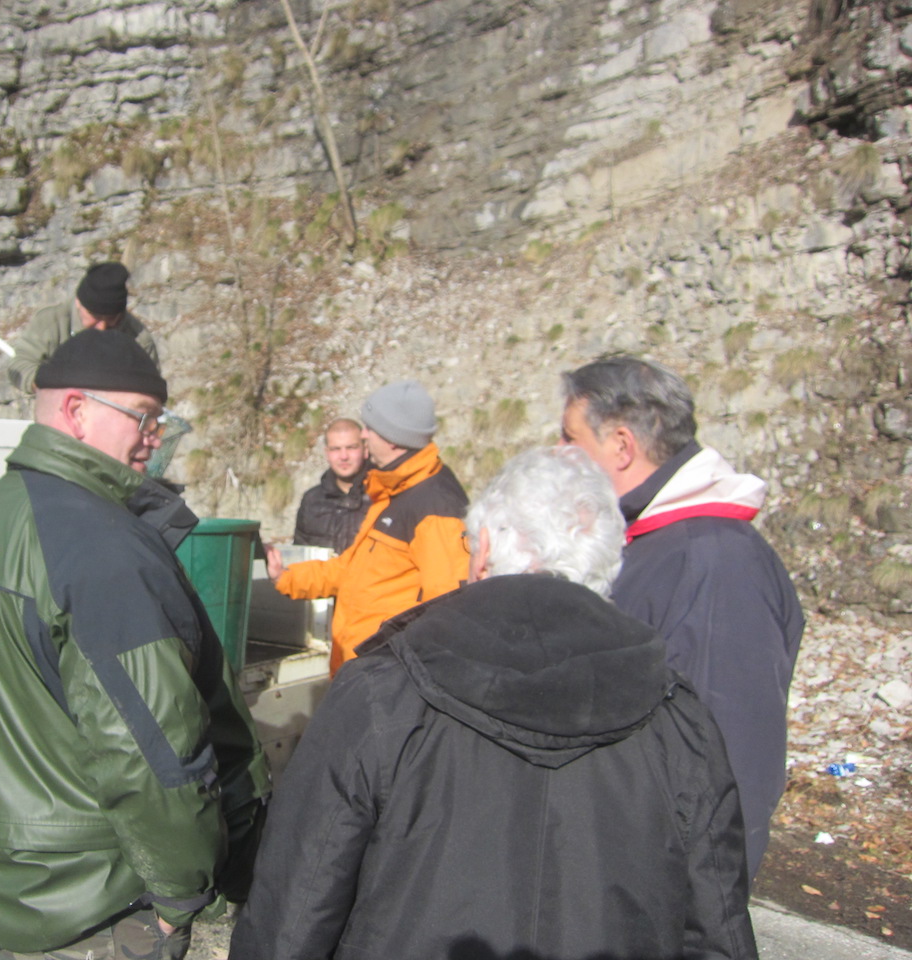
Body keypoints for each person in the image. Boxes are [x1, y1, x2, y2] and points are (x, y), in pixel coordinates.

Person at [230, 446, 756, 960]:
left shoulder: (380, 695)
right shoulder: (678, 717)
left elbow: (295, 907)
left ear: (481, 549)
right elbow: (717, 928)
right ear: (609, 559)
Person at [0, 330, 271, 959]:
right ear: (77, 411)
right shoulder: (103, 544)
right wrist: (179, 896)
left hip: (1, 887)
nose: (155, 437)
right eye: (144, 417)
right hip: (98, 899)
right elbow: (150, 750)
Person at [561, 353, 804, 878]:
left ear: (621, 445)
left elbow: (729, 760)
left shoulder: (712, 562)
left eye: (570, 439)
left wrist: (697, 908)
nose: (560, 454)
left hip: (661, 884)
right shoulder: (659, 542)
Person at [267, 380, 469, 674]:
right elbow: (351, 571)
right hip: (363, 671)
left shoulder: (435, 506)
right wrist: (286, 577)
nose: (363, 435)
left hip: (388, 676)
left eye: (369, 428)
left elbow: (446, 613)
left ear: (393, 438)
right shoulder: (393, 490)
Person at [8, 261, 159, 392]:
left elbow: (152, 390)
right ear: (78, 302)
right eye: (95, 317)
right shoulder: (49, 322)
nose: (102, 327)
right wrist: (51, 380)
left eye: (111, 319)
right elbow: (20, 366)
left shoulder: (140, 340)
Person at [291, 417, 370, 554]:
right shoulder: (311, 500)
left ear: (365, 450)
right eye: (335, 449)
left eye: (351, 448)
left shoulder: (382, 495)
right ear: (327, 453)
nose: (343, 456)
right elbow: (301, 554)